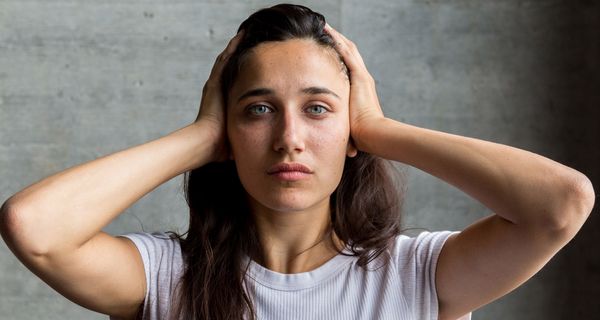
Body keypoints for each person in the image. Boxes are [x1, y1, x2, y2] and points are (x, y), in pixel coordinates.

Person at [0, 3, 594, 320]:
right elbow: (34, 228)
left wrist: (378, 130)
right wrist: (203, 135)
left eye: (317, 109)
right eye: (258, 110)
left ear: (350, 125)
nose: (289, 138)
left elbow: (562, 204)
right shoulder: (165, 278)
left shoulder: (417, 277)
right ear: (228, 128)